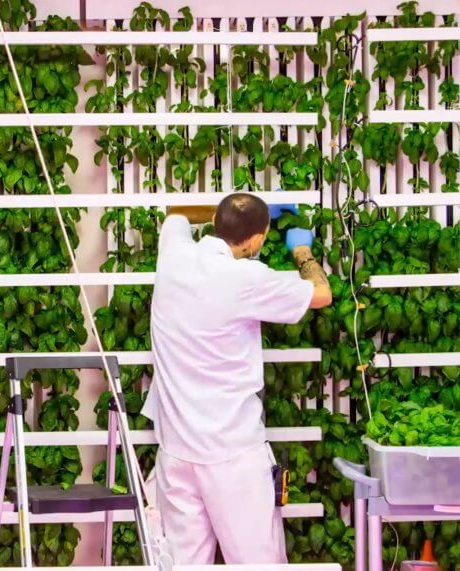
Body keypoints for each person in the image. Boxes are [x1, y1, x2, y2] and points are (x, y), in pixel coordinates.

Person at [141, 191, 331, 565]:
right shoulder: (246, 277)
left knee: (184, 565)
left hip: (176, 452)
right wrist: (302, 252)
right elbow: (321, 294)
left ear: (215, 222)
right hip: (232, 454)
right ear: (258, 240)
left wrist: (234, 211)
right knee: (257, 564)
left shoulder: (173, 254)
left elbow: (176, 214)